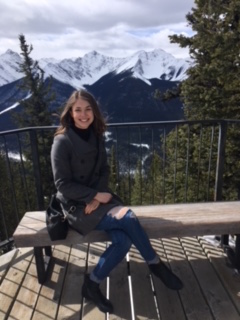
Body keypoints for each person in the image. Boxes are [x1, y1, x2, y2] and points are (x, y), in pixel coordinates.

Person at [51, 89, 183, 314]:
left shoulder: (96, 135)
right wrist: (92, 197)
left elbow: (103, 169)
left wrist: (99, 195)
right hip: (75, 206)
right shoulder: (62, 142)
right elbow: (62, 185)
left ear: (94, 112)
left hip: (99, 198)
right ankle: (155, 264)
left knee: (122, 241)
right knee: (128, 217)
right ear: (70, 114)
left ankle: (91, 284)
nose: (84, 115)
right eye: (78, 110)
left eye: (88, 109)